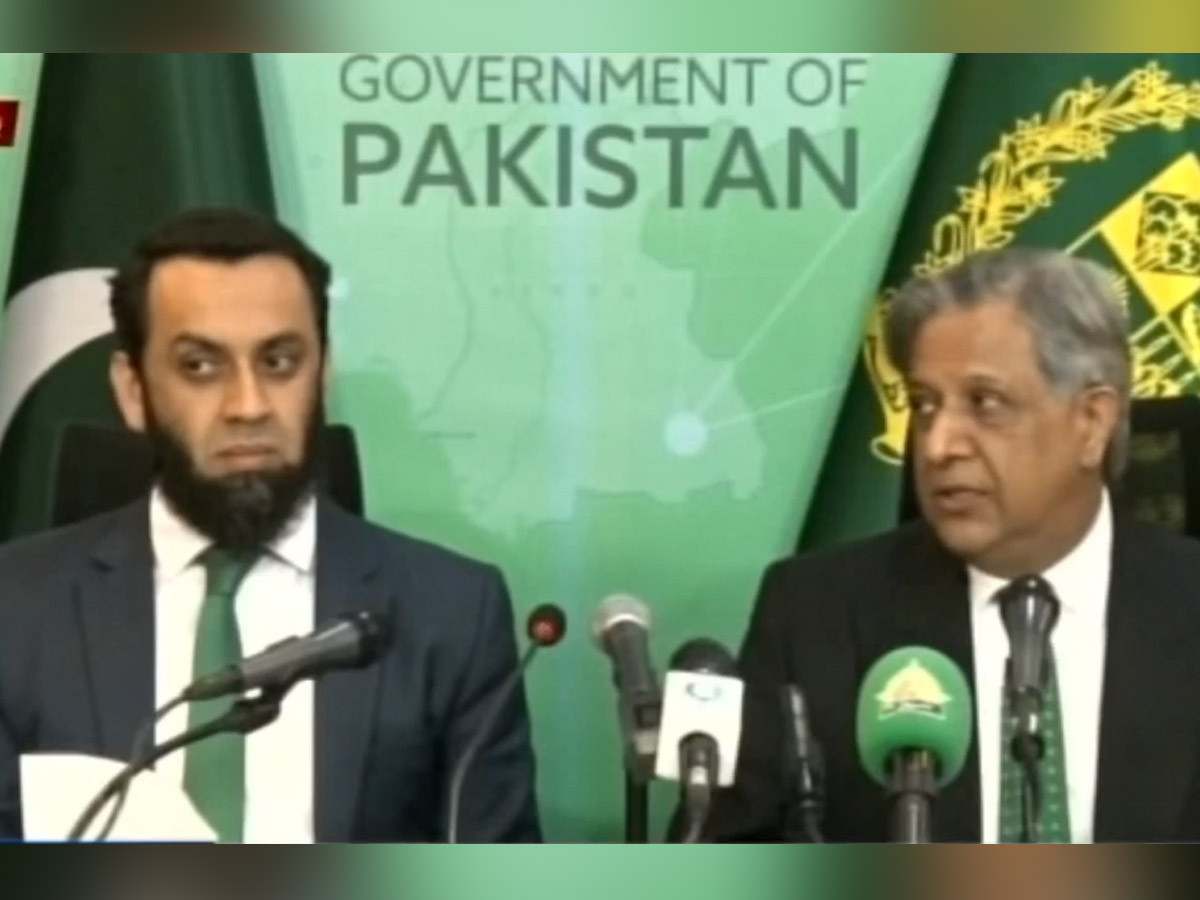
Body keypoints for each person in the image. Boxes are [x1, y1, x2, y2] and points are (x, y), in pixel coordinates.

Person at [0, 208, 541, 843]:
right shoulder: (15, 607)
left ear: (323, 373)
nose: (249, 405)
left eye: (280, 362)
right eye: (200, 366)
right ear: (133, 390)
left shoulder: (452, 614)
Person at [704, 247, 1200, 842]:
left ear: (1092, 422)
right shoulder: (813, 616)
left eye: (985, 404)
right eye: (924, 405)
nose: (938, 445)